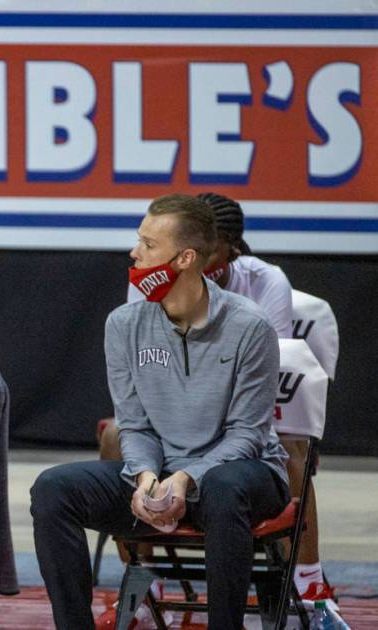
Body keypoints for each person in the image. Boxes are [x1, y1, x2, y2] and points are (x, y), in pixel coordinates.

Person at [31, 194, 290, 630]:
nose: (135, 253)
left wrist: (187, 478)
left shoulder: (251, 327)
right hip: (163, 473)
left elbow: (247, 434)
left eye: (149, 245)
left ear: (185, 258)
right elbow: (133, 424)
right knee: (54, 489)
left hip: (244, 474)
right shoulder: (123, 324)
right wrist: (146, 476)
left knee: (225, 488)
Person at [101, 193, 335, 616]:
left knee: (290, 444)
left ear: (227, 249)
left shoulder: (266, 283)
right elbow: (149, 354)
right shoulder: (149, 282)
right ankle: (143, 573)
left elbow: (276, 366)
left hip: (250, 395)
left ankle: (309, 574)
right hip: (181, 396)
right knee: (117, 435)